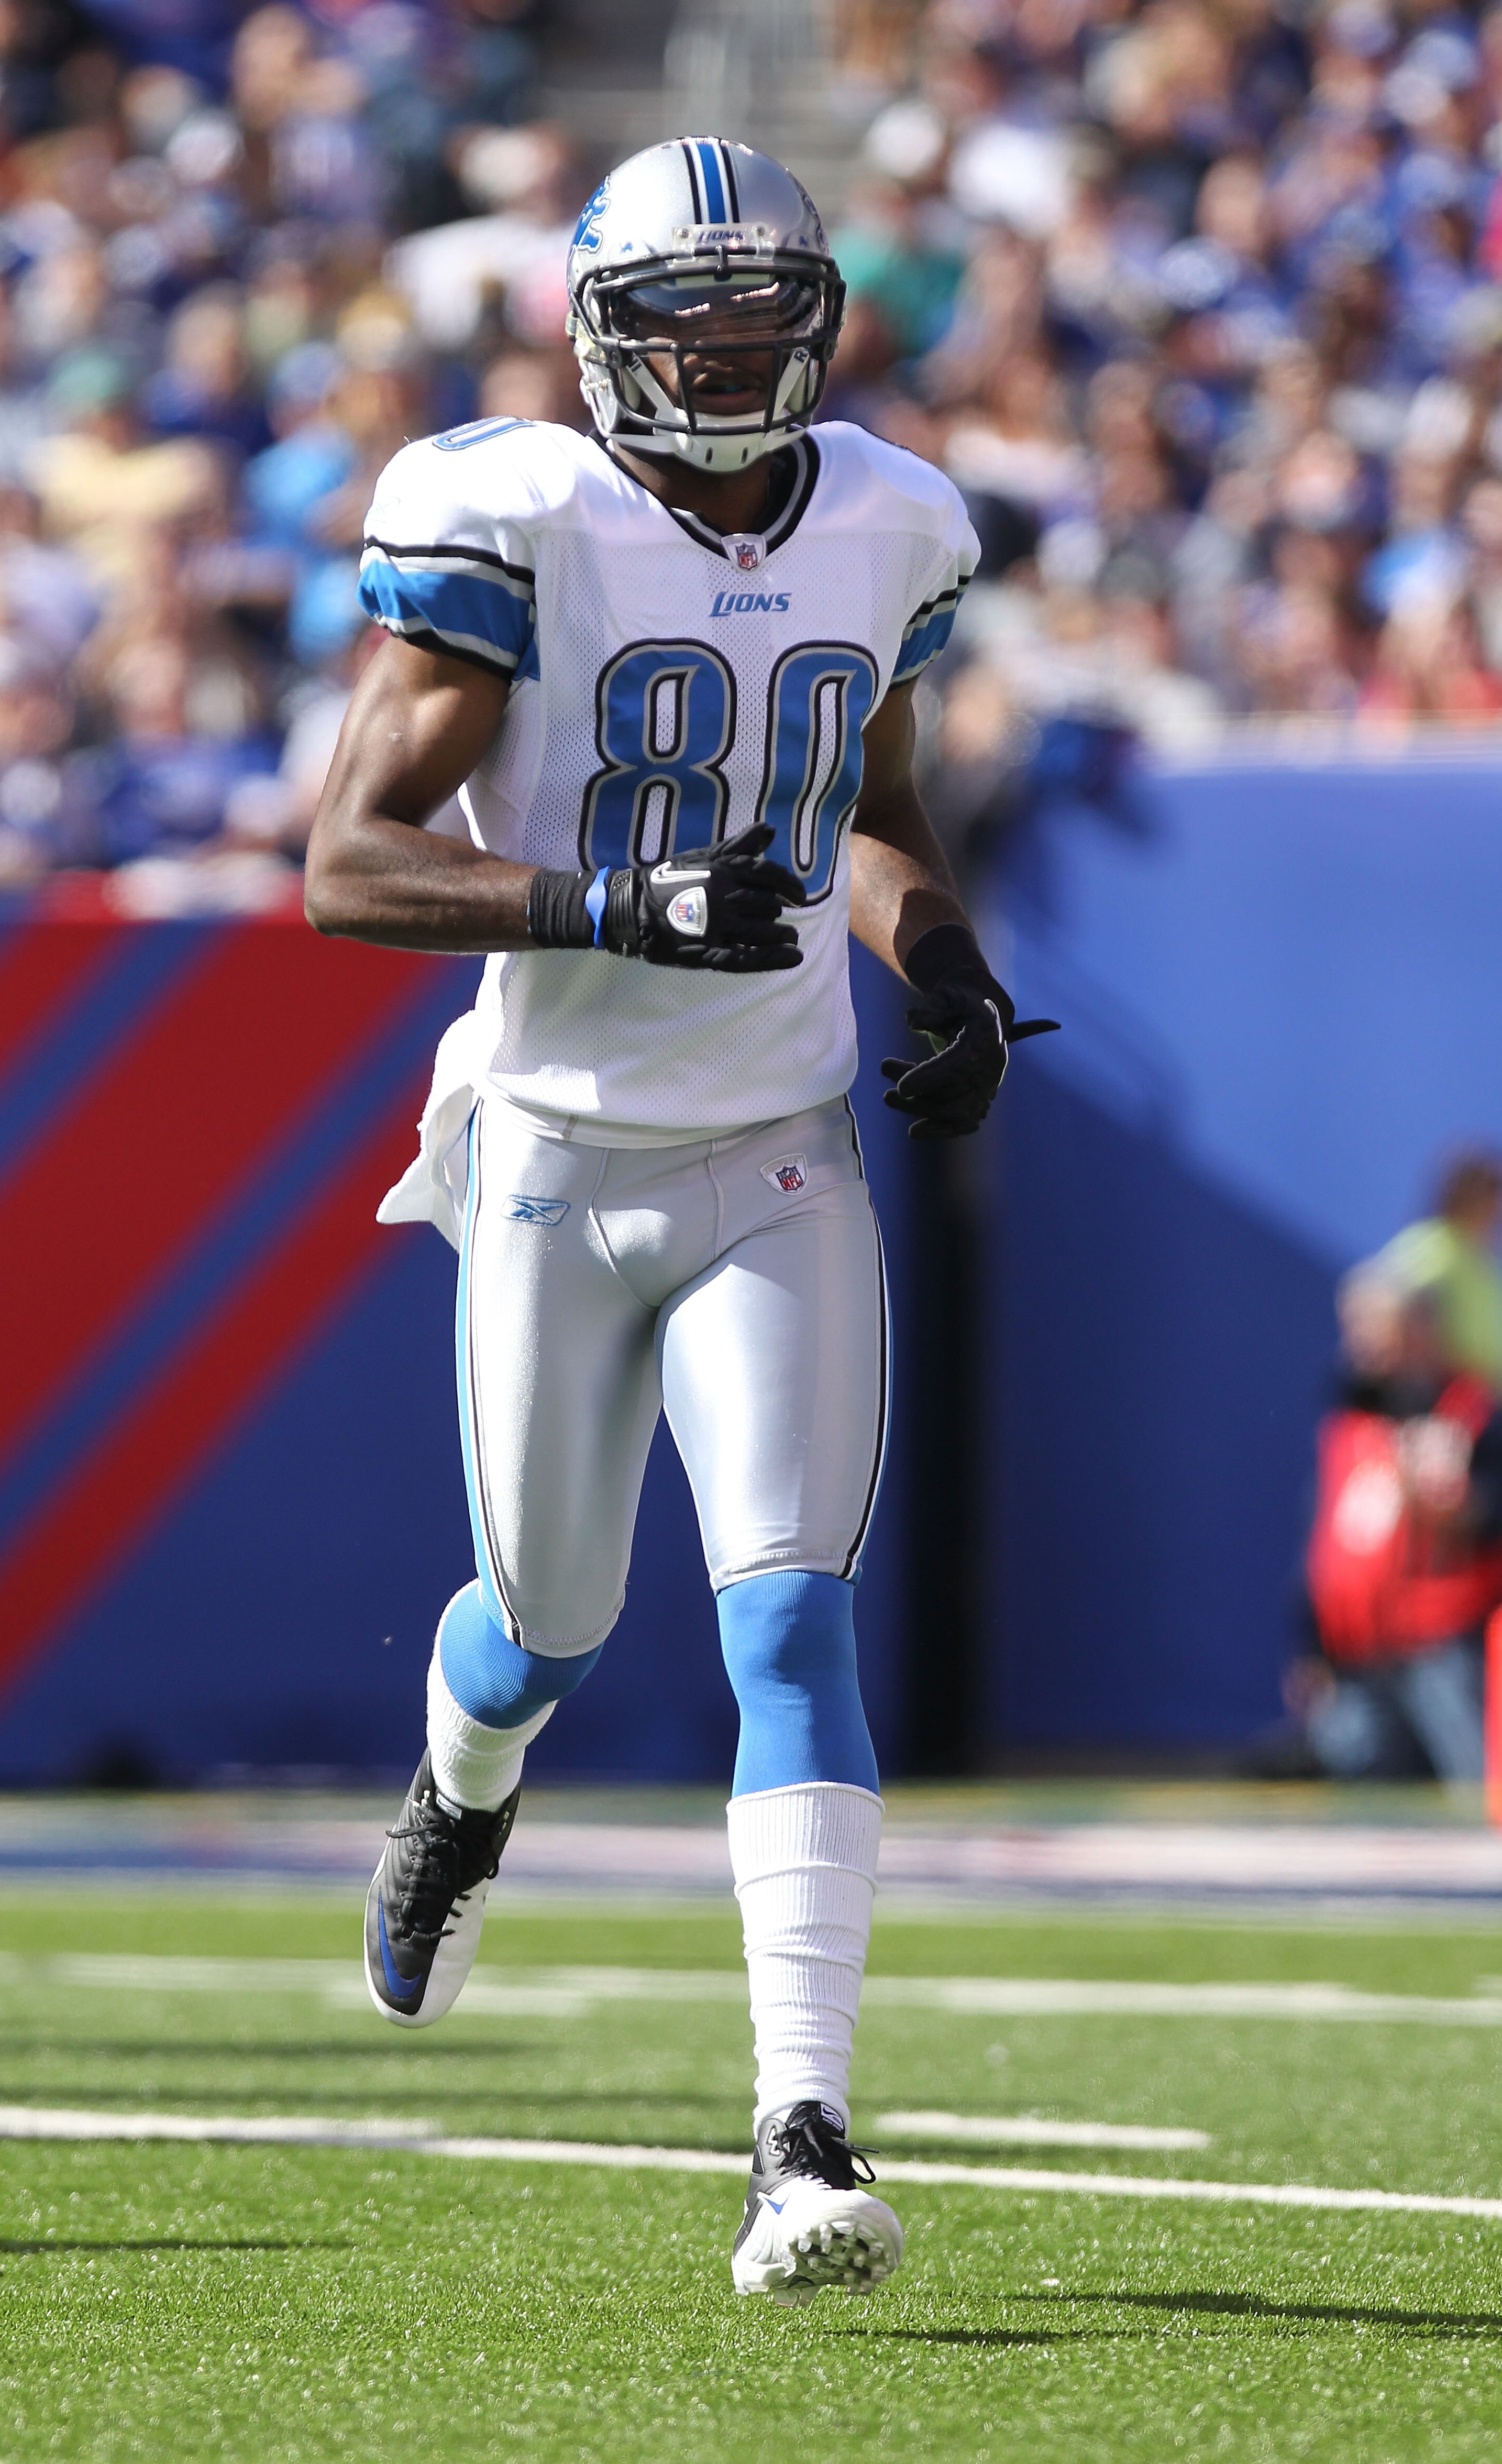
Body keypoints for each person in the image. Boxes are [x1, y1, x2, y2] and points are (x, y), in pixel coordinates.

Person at [304, 138, 1054, 2307]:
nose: (735, 353)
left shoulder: (896, 517)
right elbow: (353, 863)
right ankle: (460, 1788)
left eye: (765, 311)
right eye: (691, 318)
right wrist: (612, 901)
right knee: (541, 1621)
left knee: (787, 1625)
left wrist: (956, 978)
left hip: (780, 1146)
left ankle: (798, 2129)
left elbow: (877, 818)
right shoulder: (517, 516)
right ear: (602, 337)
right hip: (555, 1145)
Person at [1298, 1260, 1502, 1781]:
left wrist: (1454, 1507)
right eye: (1355, 1327)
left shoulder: (1475, 1410)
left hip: (1447, 1646)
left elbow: (1490, 1513)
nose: (1363, 1343)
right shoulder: (1351, 1416)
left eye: (1378, 1327)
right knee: (1360, 1792)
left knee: (1478, 1782)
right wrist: (1308, 1646)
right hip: (1360, 1654)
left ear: (1421, 1329)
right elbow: (1329, 1543)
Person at [1377, 1151, 1502, 1395]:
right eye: (1487, 1193)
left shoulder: (1484, 1262)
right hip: (1435, 1397)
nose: (1494, 1208)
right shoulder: (1431, 1244)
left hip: (1481, 1404)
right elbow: (1384, 1309)